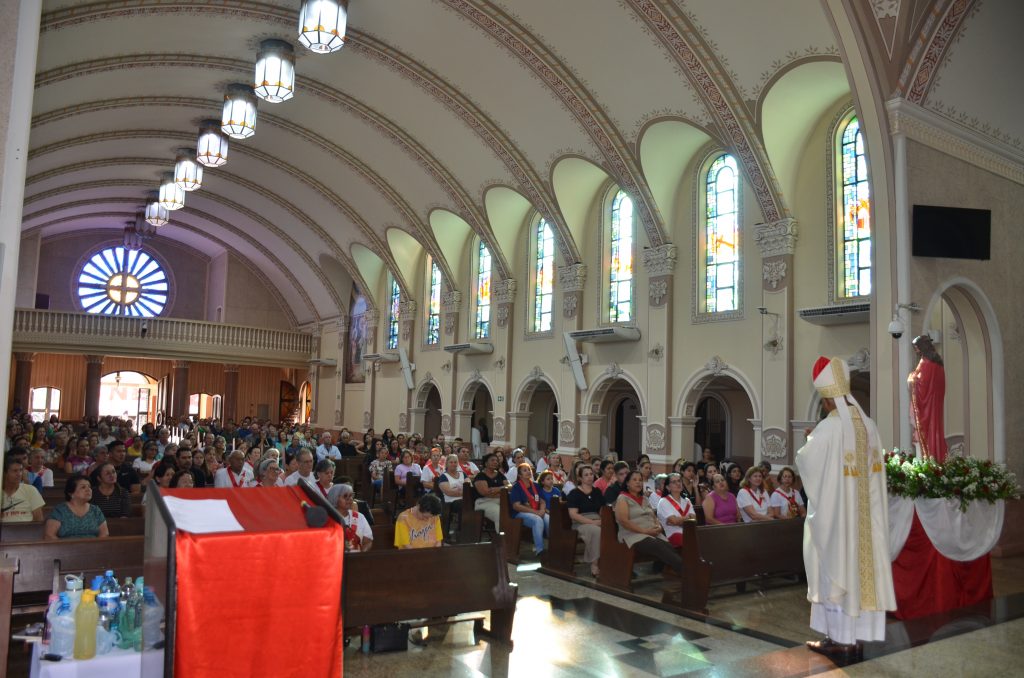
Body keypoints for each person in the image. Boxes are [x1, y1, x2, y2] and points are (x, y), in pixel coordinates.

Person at [798, 356, 895, 658]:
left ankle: (839, 639)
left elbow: (807, 462)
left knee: (835, 572)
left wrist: (809, 441)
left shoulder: (829, 428)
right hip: (866, 521)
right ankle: (858, 636)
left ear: (827, 401)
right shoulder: (869, 425)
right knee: (862, 575)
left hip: (838, 521)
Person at [613, 471, 683, 573]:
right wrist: (645, 531)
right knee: (657, 546)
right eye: (634, 480)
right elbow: (624, 521)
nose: (638, 482)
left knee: (668, 545)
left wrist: (658, 527)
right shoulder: (622, 498)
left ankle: (666, 570)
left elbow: (654, 516)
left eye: (640, 480)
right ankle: (687, 572)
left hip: (651, 533)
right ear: (627, 483)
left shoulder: (644, 499)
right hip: (632, 534)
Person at [909, 334, 948, 461]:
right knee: (933, 428)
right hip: (934, 402)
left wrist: (912, 378)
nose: (916, 350)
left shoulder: (927, 363)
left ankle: (929, 460)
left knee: (926, 430)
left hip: (927, 404)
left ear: (922, 346)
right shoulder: (937, 361)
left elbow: (922, 383)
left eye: (917, 347)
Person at [566, 464, 604, 577]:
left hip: (597, 520)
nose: (589, 477)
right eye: (586, 475)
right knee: (596, 531)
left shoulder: (597, 492)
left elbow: (602, 509)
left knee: (612, 530)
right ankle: (594, 564)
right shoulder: (574, 493)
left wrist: (603, 520)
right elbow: (573, 514)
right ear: (580, 478)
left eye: (591, 474)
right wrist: (593, 522)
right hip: (580, 523)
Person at [45, 475, 109, 539]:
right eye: (83, 487)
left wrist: (95, 547)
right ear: (71, 493)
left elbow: (104, 534)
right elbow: (49, 535)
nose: (88, 489)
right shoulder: (60, 510)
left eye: (89, 486)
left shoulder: (95, 510)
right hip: (66, 548)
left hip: (94, 548)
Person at [509, 463, 550, 558]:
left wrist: (542, 510)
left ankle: (551, 547)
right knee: (537, 520)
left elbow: (542, 501)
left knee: (549, 520)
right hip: (520, 513)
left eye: (529, 469)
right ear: (519, 475)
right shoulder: (516, 487)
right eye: (525, 470)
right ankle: (540, 550)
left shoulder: (536, 485)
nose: (528, 471)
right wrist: (536, 512)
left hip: (537, 511)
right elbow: (516, 506)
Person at [328, 484, 373, 552]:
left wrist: (361, 555)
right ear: (335, 498)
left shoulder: (360, 517)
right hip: (335, 559)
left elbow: (368, 541)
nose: (350, 499)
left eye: (351, 495)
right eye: (345, 496)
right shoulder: (329, 518)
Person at [657, 473, 696, 547]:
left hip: (688, 532)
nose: (678, 483)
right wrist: (687, 518)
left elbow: (694, 519)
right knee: (689, 541)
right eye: (674, 482)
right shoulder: (663, 501)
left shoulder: (687, 501)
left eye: (679, 481)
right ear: (668, 487)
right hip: (672, 535)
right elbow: (673, 521)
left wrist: (678, 521)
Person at [1, 457, 45, 523]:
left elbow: (39, 519)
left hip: (26, 531)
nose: (19, 474)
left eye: (21, 470)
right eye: (15, 471)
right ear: (4, 473)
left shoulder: (31, 490)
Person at [473, 452, 511, 525]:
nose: (495, 462)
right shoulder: (480, 476)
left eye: (496, 461)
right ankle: (500, 535)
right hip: (484, 502)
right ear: (486, 463)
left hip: (501, 500)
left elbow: (510, 486)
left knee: (514, 509)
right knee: (500, 514)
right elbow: (485, 492)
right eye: (492, 460)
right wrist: (502, 490)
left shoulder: (500, 475)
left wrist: (496, 489)